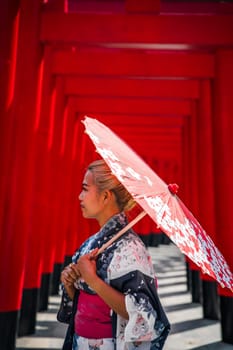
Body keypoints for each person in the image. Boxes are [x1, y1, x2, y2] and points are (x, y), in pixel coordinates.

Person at [59, 159, 170, 350]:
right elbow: (81, 300)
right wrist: (70, 283)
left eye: (85, 189)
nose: (79, 196)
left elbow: (141, 311)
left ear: (105, 197)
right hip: (80, 341)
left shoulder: (131, 249)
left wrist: (92, 280)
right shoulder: (91, 243)